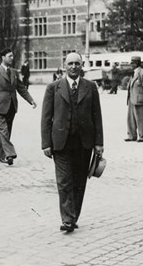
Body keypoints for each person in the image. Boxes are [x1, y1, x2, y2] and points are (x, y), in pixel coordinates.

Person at [41, 52, 104, 233]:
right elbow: (46, 118)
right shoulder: (53, 88)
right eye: (70, 64)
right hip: (61, 142)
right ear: (64, 65)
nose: (74, 67)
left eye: (77, 63)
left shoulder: (90, 87)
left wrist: (99, 143)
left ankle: (73, 215)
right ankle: (67, 219)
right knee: (64, 181)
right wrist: (46, 143)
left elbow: (97, 116)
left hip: (84, 143)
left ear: (82, 65)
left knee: (79, 181)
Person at [0, 48, 36, 166]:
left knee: (6, 132)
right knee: (4, 131)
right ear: (3, 57)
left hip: (12, 107)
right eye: (10, 56)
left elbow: (21, 88)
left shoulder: (14, 72)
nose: (12, 58)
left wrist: (31, 100)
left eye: (12, 56)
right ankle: (9, 154)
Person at [125, 56, 143, 142]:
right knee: (130, 118)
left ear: (137, 63)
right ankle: (132, 135)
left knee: (140, 118)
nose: (131, 65)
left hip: (139, 99)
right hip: (131, 98)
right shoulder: (133, 73)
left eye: (133, 63)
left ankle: (142, 136)